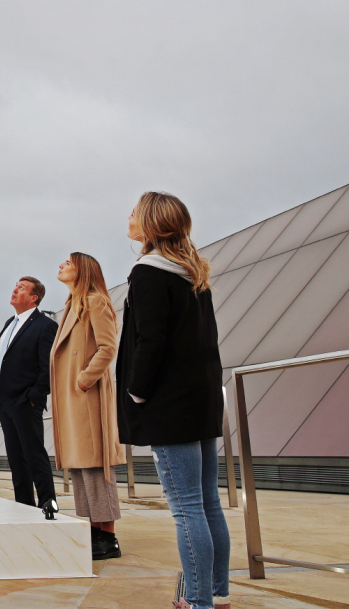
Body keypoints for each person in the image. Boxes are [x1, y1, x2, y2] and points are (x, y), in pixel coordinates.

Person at [117, 192, 230, 609]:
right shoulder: (191, 272)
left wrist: (136, 391)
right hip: (199, 401)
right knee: (208, 503)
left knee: (186, 509)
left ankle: (199, 602)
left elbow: (151, 340)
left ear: (149, 224)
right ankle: (218, 594)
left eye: (133, 213)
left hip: (168, 405)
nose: (128, 218)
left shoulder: (147, 272)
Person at [50, 253, 125, 560]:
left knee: (96, 464)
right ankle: (95, 532)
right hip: (72, 398)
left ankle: (108, 538)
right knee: (81, 465)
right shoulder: (71, 306)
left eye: (67, 262)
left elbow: (108, 348)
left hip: (86, 396)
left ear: (82, 270)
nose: (61, 265)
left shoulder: (95, 301)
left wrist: (84, 380)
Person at [0, 276, 60, 518]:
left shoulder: (45, 326)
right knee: (16, 459)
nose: (15, 290)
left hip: (26, 402)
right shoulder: (10, 322)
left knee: (34, 454)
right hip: (5, 402)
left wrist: (35, 396)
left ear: (34, 298)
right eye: (16, 286)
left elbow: (49, 365)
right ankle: (24, 507)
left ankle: (48, 504)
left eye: (22, 288)